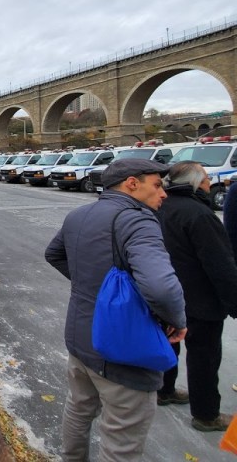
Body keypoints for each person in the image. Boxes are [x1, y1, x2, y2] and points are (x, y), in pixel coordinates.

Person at [45, 158, 186, 461]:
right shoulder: (137, 220)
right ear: (132, 183)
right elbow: (161, 287)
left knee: (79, 409)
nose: (163, 194)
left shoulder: (79, 215)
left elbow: (54, 254)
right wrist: (177, 319)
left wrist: (88, 284)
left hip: (80, 341)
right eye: (157, 185)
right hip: (122, 348)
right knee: (121, 438)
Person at [157, 161, 237, 432]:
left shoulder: (161, 207)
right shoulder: (199, 214)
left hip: (168, 295)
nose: (208, 182)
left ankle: (164, 389)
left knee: (168, 345)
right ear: (195, 183)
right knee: (204, 357)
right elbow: (220, 265)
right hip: (200, 301)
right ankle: (206, 415)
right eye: (206, 178)